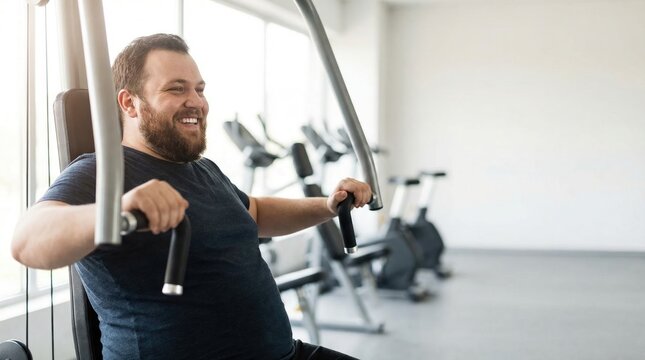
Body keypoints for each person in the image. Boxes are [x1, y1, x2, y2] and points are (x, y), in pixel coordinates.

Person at [11, 33, 372, 360]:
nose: (196, 102)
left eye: (199, 89)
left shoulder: (204, 169)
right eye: (176, 89)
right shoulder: (102, 172)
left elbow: (257, 212)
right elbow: (27, 241)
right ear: (130, 103)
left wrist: (327, 205)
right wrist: (115, 209)